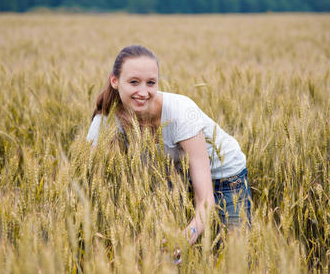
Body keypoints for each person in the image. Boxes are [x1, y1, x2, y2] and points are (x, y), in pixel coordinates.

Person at [87, 45, 251, 244]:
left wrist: (183, 239)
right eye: (133, 82)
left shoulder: (181, 113)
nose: (143, 92)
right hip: (172, 176)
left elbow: (206, 200)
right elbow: (92, 178)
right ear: (115, 81)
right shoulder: (105, 120)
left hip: (224, 177)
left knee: (235, 252)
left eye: (151, 83)